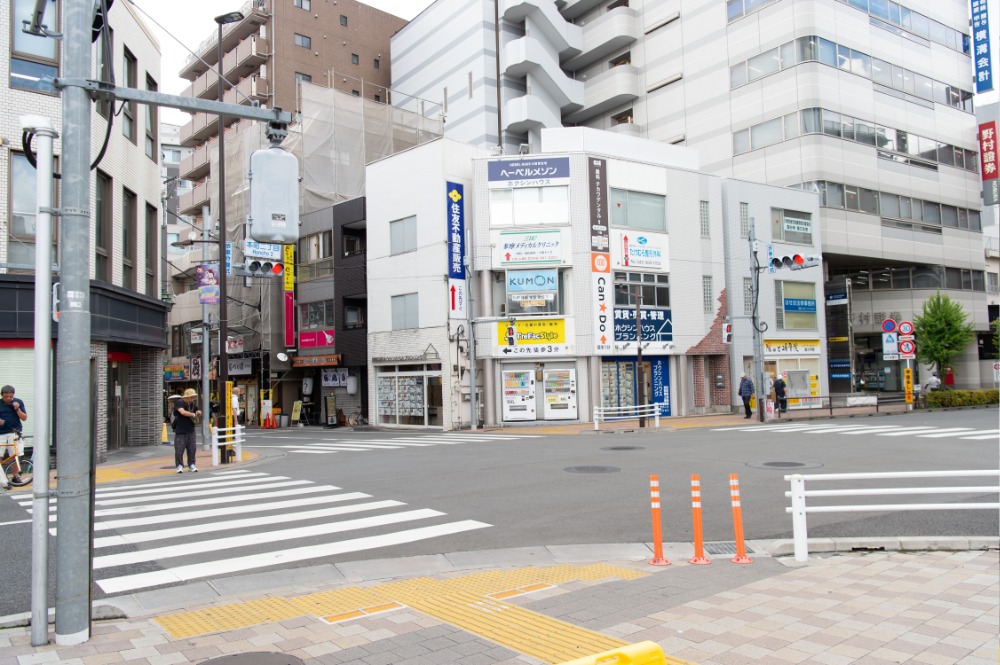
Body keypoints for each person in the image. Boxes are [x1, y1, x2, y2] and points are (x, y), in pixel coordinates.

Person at [0, 385, 28, 489]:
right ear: (2, 395)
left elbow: (24, 417)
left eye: (10, 396)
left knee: (15, 456)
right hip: (1, 433)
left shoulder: (18, 402)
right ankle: (3, 481)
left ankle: (15, 476)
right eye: (6, 396)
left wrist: (17, 409)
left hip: (15, 432)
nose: (8, 398)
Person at [173, 388, 202, 473]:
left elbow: (198, 410)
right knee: (179, 450)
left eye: (193, 397)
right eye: (191, 397)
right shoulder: (180, 402)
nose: (192, 399)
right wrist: (193, 414)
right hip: (180, 430)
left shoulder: (192, 404)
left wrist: (199, 412)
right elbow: (182, 412)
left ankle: (192, 465)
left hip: (191, 430)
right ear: (186, 397)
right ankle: (179, 466)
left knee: (192, 449)